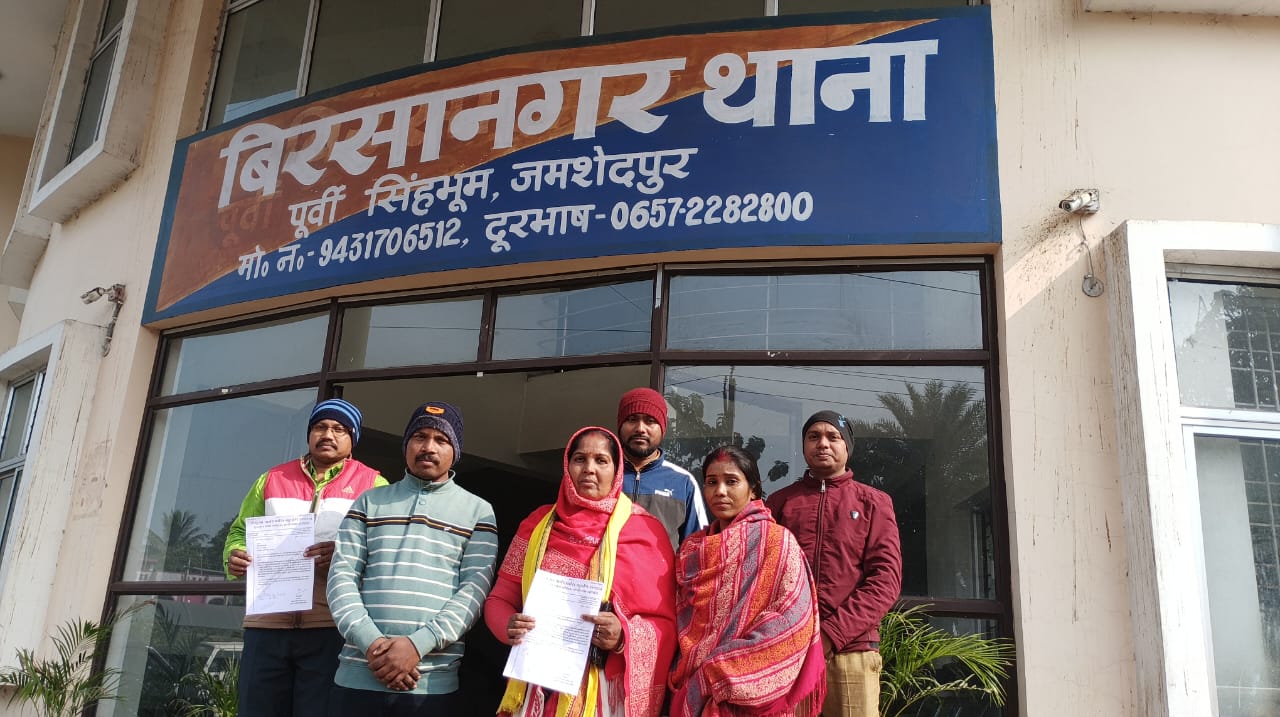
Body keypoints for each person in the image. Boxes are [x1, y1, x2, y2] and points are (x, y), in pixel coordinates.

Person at [485, 426, 678, 717]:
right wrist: (508, 627)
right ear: (567, 465)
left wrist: (622, 637)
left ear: (616, 470)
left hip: (604, 696)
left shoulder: (646, 532)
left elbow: (665, 624)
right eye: (579, 459)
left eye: (601, 460)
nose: (589, 469)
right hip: (537, 686)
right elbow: (499, 599)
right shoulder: (537, 525)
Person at [326, 401, 499, 715]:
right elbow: (341, 578)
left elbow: (474, 592)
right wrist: (373, 646)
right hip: (357, 676)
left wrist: (417, 645)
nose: (428, 447)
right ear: (406, 444)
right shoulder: (369, 502)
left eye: (441, 440)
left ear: (455, 451)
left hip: (431, 684)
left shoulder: (478, 512)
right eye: (420, 436)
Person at [223, 398, 387, 717]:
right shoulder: (271, 479)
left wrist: (345, 555)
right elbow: (239, 531)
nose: (328, 434)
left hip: (331, 625)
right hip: (267, 624)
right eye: (320, 427)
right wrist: (234, 554)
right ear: (309, 434)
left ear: (353, 438)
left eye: (339, 429)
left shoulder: (374, 485)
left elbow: (383, 549)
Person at [669, 445, 826, 717]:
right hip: (688, 688)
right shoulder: (691, 551)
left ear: (753, 490)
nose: (720, 491)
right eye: (711, 482)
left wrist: (717, 672)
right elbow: (681, 623)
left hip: (751, 696)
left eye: (731, 481)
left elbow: (793, 621)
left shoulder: (776, 542)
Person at [766, 411, 902, 717]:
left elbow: (885, 581)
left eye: (833, 437)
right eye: (813, 437)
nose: (823, 444)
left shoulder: (873, 503)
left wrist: (830, 635)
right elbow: (765, 574)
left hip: (852, 650)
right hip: (789, 651)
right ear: (804, 446)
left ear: (847, 447)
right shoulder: (779, 503)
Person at [616, 387, 707, 551]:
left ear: (663, 429)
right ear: (620, 426)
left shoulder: (683, 482)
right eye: (632, 419)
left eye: (650, 421)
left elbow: (697, 549)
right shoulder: (602, 474)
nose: (640, 428)